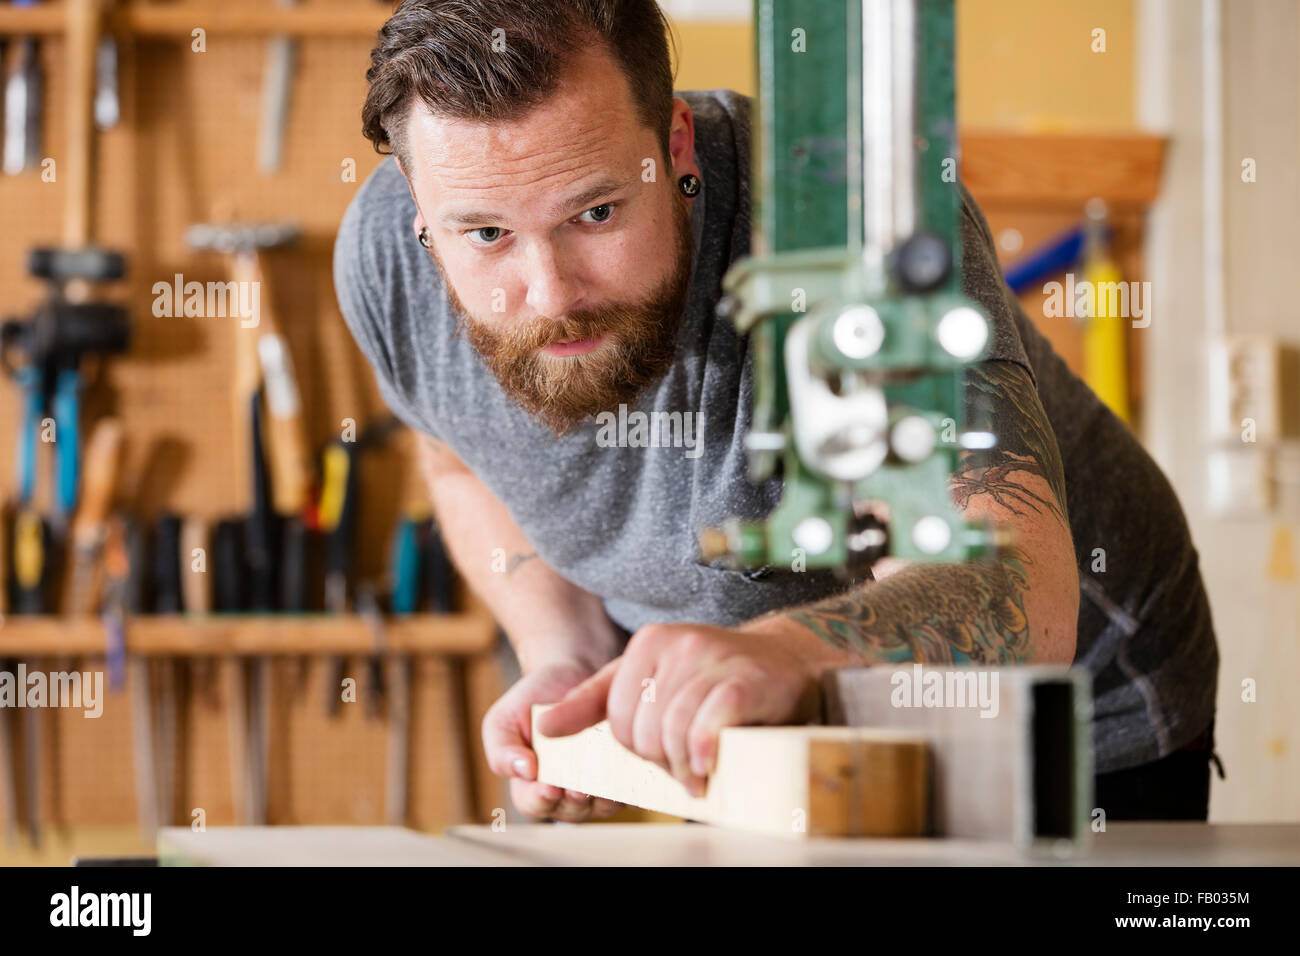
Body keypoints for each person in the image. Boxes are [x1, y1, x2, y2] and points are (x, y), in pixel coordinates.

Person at [335, 0, 1220, 824]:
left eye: (595, 212)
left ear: (675, 145)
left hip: (1071, 720)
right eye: (486, 234)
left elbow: (1025, 591)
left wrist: (791, 656)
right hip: (776, 730)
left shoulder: (847, 222)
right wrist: (563, 650)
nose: (549, 295)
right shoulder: (386, 265)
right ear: (420, 211)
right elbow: (452, 452)